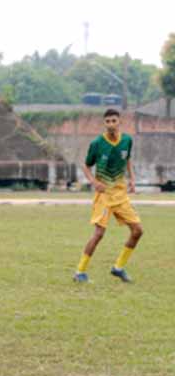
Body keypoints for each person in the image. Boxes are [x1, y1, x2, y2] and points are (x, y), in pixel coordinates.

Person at [73, 108, 143, 284]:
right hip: (104, 196)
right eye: (108, 121)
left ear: (120, 122)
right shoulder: (97, 143)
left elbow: (127, 159)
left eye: (114, 120)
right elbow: (86, 165)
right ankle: (80, 272)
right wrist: (93, 182)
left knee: (137, 231)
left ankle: (118, 268)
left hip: (121, 194)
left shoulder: (127, 140)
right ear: (104, 123)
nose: (111, 124)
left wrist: (132, 180)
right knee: (99, 234)